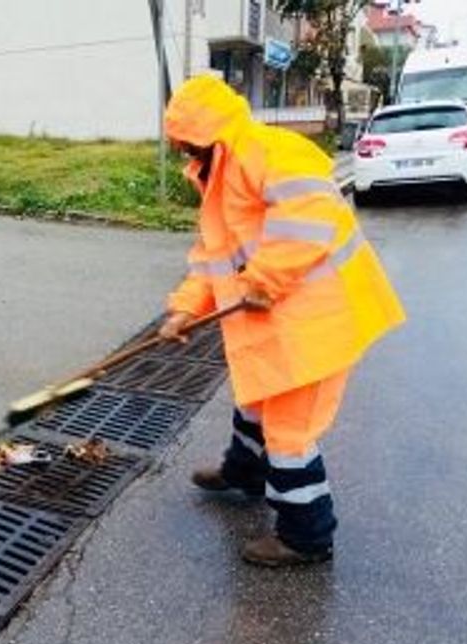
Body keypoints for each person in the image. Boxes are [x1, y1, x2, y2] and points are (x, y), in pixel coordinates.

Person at [158, 75, 406, 567]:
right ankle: (246, 473)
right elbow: (212, 259)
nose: (180, 148)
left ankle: (306, 536)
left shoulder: (269, 151)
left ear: (207, 132)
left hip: (320, 319)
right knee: (256, 397)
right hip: (281, 316)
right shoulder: (217, 174)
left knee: (289, 433)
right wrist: (186, 309)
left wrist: (262, 279)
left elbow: (308, 219)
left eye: (184, 138)